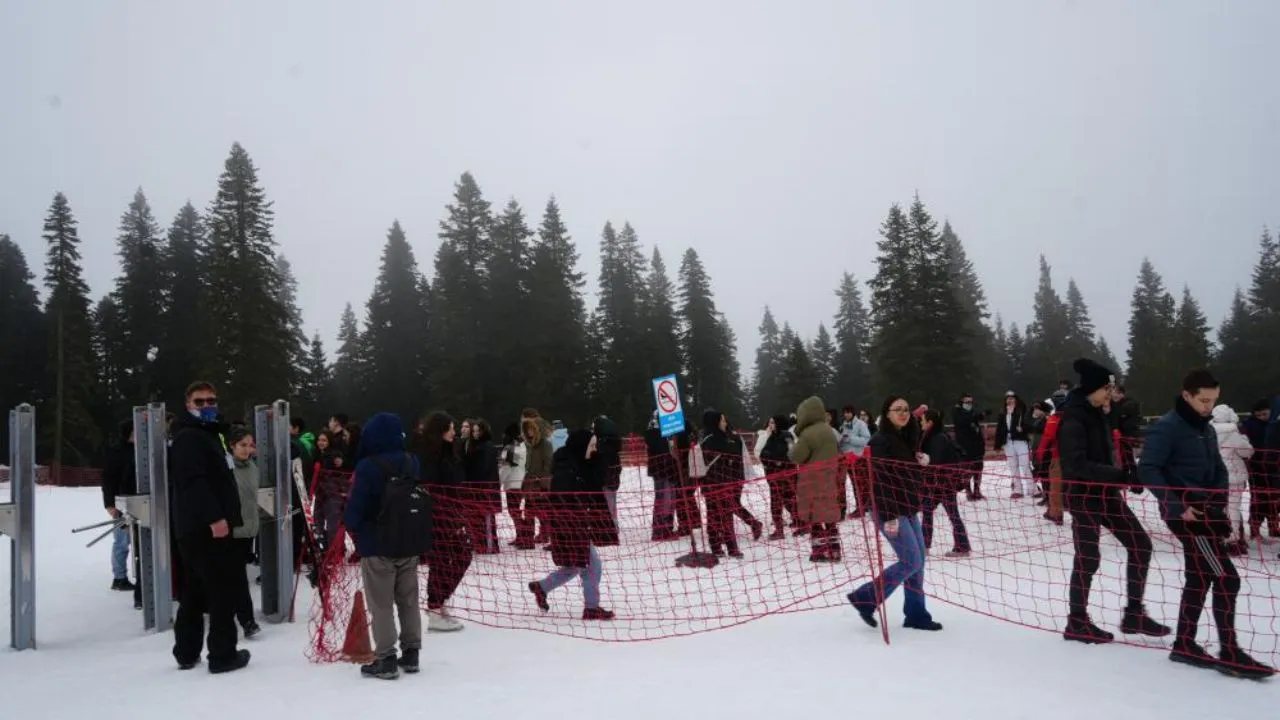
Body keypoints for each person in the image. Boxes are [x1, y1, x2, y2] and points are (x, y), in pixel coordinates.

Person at [1139, 371, 1274, 678]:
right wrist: (1177, 505)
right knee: (1227, 578)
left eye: (1213, 401)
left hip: (1207, 512)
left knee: (1199, 577)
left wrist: (1220, 505)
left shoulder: (1207, 428)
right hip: (1187, 518)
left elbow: (1218, 469)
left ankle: (1184, 643)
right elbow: (1148, 469)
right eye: (1203, 400)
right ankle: (1229, 652)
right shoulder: (1167, 428)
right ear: (1186, 395)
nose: (1208, 407)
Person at [1058, 359, 1168, 644]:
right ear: (1093, 388)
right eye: (1107, 387)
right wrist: (1120, 475)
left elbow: (1107, 453)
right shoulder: (1073, 418)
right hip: (1083, 496)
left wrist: (1129, 473)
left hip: (1106, 494)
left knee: (1140, 545)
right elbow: (1075, 464)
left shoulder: (1099, 413)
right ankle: (1076, 622)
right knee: (1088, 557)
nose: (1111, 392)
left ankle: (1134, 614)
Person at [169, 381, 251, 674]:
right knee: (222, 590)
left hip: (198, 527)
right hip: (205, 528)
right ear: (188, 404)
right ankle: (222, 654)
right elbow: (194, 483)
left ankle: (186, 651)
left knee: (194, 590)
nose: (206, 406)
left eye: (211, 401)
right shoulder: (189, 438)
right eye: (199, 402)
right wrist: (215, 518)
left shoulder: (209, 434)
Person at [343, 412, 428, 679]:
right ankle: (412, 653)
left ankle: (386, 658)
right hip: (409, 541)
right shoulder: (411, 461)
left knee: (381, 604)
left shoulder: (367, 466)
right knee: (409, 600)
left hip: (376, 544)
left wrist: (351, 524)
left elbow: (356, 509)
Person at [846, 396, 941, 632]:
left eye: (906, 409)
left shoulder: (908, 437)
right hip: (889, 508)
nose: (903, 413)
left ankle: (916, 614)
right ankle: (866, 597)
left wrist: (921, 461)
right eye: (897, 409)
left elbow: (906, 473)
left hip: (908, 506)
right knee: (911, 560)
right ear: (886, 413)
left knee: (918, 562)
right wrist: (888, 516)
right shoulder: (880, 441)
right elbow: (880, 481)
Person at [527, 428, 616, 620]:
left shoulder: (577, 463)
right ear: (581, 446)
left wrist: (596, 460)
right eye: (591, 445)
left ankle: (541, 587)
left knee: (575, 565)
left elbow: (596, 482)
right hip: (570, 525)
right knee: (591, 565)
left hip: (574, 524)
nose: (594, 449)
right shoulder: (567, 469)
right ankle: (591, 608)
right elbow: (567, 500)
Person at [414, 411, 472, 632]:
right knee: (442, 560)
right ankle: (435, 606)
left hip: (454, 513)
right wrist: (447, 516)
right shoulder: (428, 456)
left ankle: (438, 602)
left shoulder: (451, 452)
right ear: (440, 431)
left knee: (462, 556)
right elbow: (432, 487)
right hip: (438, 515)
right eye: (451, 428)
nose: (455, 431)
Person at [790, 397, 843, 561]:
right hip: (829, 478)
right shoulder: (829, 430)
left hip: (811, 480)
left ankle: (819, 550)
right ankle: (834, 550)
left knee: (814, 517)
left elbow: (797, 456)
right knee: (829, 515)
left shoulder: (807, 433)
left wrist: (792, 448)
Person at [226, 426, 262, 639]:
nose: (247, 449)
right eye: (242, 445)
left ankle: (239, 616)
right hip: (230, 531)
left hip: (249, 530)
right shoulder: (225, 468)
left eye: (250, 445)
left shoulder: (253, 468)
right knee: (237, 578)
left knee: (236, 576)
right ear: (232, 446)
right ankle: (246, 620)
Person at [919, 410, 971, 557]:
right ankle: (924, 546)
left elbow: (936, 461)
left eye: (923, 420)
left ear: (930, 423)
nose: (921, 423)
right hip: (934, 484)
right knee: (927, 512)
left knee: (952, 515)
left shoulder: (938, 438)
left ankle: (962, 546)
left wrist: (923, 459)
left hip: (943, 484)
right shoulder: (929, 436)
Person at [101, 421, 139, 605]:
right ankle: (119, 577)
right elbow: (108, 479)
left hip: (140, 500)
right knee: (122, 541)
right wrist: (109, 503)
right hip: (121, 502)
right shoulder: (117, 452)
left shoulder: (144, 450)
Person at [1209, 405, 1253, 556]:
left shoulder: (1208, 431)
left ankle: (1218, 537)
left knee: (1218, 507)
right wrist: (1245, 440)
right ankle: (1232, 539)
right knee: (1233, 508)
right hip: (1234, 476)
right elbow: (1246, 452)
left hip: (1215, 476)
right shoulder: (1233, 433)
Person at [756, 415, 799, 539]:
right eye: (771, 423)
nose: (771, 425)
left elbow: (788, 454)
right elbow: (764, 453)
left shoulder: (786, 436)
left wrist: (774, 459)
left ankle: (796, 526)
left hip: (784, 476)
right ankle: (790, 526)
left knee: (783, 503)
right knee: (784, 502)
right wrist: (769, 458)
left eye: (773, 423)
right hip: (774, 476)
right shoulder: (773, 436)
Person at [995, 391, 1034, 499]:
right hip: (1008, 443)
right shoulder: (1002, 413)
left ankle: (1032, 488)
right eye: (1008, 398)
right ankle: (1017, 489)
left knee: (1025, 465)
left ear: (1016, 400)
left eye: (1012, 398)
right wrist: (997, 444)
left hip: (1020, 441)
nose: (1010, 400)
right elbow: (999, 429)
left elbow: (1029, 425)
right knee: (1013, 466)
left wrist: (1023, 429)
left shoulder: (1022, 411)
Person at [952, 393, 986, 500]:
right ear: (961, 403)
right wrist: (977, 416)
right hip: (965, 448)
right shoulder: (958, 413)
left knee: (978, 469)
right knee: (966, 471)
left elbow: (977, 428)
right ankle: (968, 492)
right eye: (967, 402)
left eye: (971, 402)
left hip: (977, 448)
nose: (969, 404)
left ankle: (977, 491)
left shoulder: (972, 413)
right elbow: (964, 421)